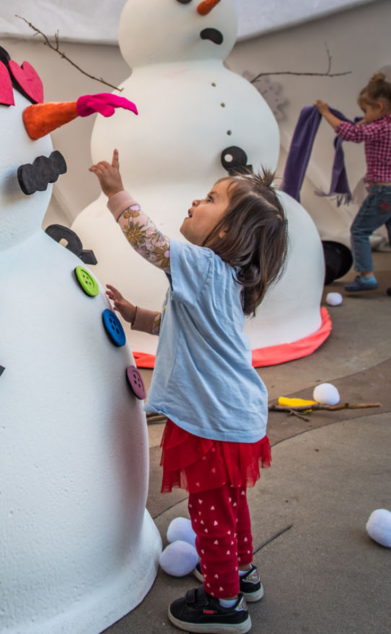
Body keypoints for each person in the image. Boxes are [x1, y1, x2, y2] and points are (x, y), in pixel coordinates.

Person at [90, 150, 288, 634]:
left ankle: (223, 606)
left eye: (213, 199)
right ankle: (243, 574)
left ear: (229, 234)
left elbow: (152, 243)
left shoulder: (202, 263)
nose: (198, 201)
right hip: (235, 417)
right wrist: (137, 315)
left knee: (209, 513)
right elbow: (183, 327)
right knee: (230, 504)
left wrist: (116, 192)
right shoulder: (226, 280)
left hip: (212, 422)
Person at [316, 73, 391, 292]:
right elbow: (360, 127)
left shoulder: (380, 128)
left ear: (379, 106)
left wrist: (326, 113)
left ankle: (366, 276)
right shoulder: (386, 125)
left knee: (359, 230)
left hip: (383, 193)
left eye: (366, 111)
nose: (364, 116)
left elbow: (352, 133)